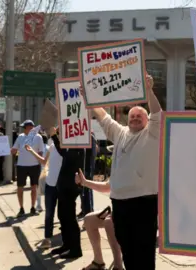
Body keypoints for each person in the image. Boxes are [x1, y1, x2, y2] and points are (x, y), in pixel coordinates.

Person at [83, 73, 161, 270]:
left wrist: (149, 90)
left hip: (143, 202)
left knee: (143, 253)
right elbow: (103, 117)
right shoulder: (120, 133)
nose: (135, 118)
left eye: (140, 116)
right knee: (127, 251)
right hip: (119, 203)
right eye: (132, 116)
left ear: (147, 120)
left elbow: (157, 113)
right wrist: (90, 100)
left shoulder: (152, 134)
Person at [75, 169, 123, 270]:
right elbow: (107, 186)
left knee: (109, 222)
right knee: (89, 220)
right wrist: (84, 182)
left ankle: (118, 266)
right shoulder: (120, 163)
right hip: (118, 212)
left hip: (136, 215)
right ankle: (98, 262)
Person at [47, 127, 84, 259]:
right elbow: (63, 152)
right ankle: (67, 244)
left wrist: (55, 137)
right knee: (62, 216)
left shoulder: (78, 145)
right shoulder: (69, 145)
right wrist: (55, 136)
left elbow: (67, 154)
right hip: (63, 187)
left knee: (70, 218)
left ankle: (75, 249)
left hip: (71, 187)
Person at [25, 132, 63, 249]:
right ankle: (47, 240)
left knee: (63, 214)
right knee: (49, 213)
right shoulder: (52, 147)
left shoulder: (69, 148)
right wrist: (31, 151)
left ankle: (66, 240)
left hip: (63, 185)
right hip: (50, 184)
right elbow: (44, 161)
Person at [11, 120, 44, 217]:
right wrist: (3, 150)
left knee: (34, 187)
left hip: (34, 166)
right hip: (21, 166)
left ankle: (33, 207)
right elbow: (14, 150)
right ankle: (21, 208)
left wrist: (39, 162)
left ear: (29, 127)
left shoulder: (38, 137)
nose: (23, 129)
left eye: (24, 127)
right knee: (20, 188)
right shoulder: (20, 137)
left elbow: (41, 152)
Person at [78, 132, 97, 218]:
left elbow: (90, 156)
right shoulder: (86, 137)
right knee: (84, 192)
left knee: (87, 192)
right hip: (84, 169)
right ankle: (85, 211)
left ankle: (89, 213)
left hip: (87, 170)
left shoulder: (90, 137)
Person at [35, 134, 49, 212]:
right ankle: (47, 205)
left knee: (38, 189)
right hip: (47, 170)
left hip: (39, 169)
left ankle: (39, 205)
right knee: (47, 189)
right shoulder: (48, 148)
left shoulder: (38, 149)